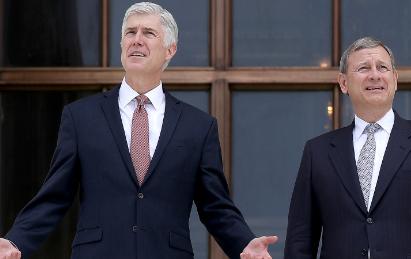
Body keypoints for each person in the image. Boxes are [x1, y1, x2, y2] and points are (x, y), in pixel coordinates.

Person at [0, 2, 277, 259]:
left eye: (148, 33)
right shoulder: (80, 117)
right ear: (121, 44)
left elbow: (215, 206)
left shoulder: (199, 127)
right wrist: (15, 241)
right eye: (130, 32)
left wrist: (244, 243)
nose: (137, 39)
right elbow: (54, 195)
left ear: (170, 49)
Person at [284, 37, 411, 259]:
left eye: (382, 67)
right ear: (344, 83)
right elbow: (301, 237)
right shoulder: (317, 151)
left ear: (394, 79)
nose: (375, 75)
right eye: (363, 68)